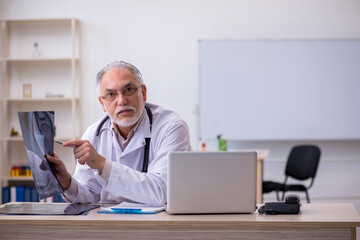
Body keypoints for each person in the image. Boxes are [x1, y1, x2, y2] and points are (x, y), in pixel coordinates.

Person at [46, 61, 192, 206]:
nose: (121, 101)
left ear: (143, 93)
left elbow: (161, 191)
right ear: (102, 103)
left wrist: (102, 165)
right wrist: (66, 182)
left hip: (159, 224)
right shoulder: (93, 133)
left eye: (128, 90)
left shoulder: (172, 128)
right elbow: (91, 196)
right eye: (111, 94)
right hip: (110, 225)